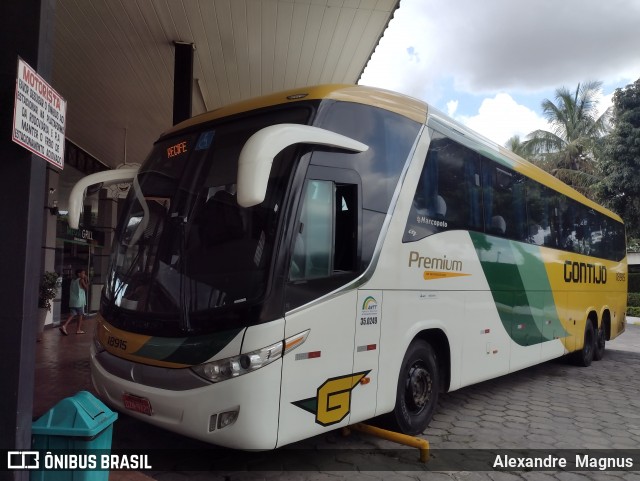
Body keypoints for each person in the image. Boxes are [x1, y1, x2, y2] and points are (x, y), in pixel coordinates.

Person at [59, 269, 89, 335]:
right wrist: (86, 280)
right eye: (83, 273)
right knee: (80, 315)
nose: (84, 275)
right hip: (79, 301)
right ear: (79, 274)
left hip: (73, 300)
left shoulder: (73, 280)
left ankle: (64, 326)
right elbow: (86, 288)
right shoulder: (81, 280)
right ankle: (78, 329)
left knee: (72, 314)